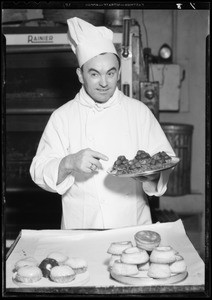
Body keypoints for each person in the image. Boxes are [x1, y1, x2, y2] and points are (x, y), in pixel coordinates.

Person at [30, 17, 175, 230]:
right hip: (81, 230)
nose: (104, 83)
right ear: (80, 75)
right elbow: (39, 171)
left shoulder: (138, 112)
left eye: (111, 72)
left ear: (118, 72)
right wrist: (69, 162)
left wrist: (152, 175)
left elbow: (164, 161)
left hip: (132, 227)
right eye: (94, 74)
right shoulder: (62, 117)